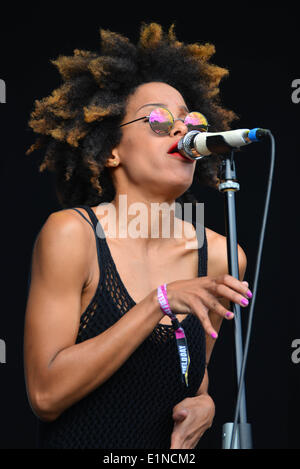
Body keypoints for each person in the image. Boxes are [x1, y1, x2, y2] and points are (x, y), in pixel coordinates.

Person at [24, 23, 250, 449]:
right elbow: (45, 395)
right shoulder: (73, 235)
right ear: (111, 149)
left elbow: (190, 379)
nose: (182, 131)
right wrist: (157, 303)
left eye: (190, 121)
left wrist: (206, 404)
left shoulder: (221, 257)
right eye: (160, 121)